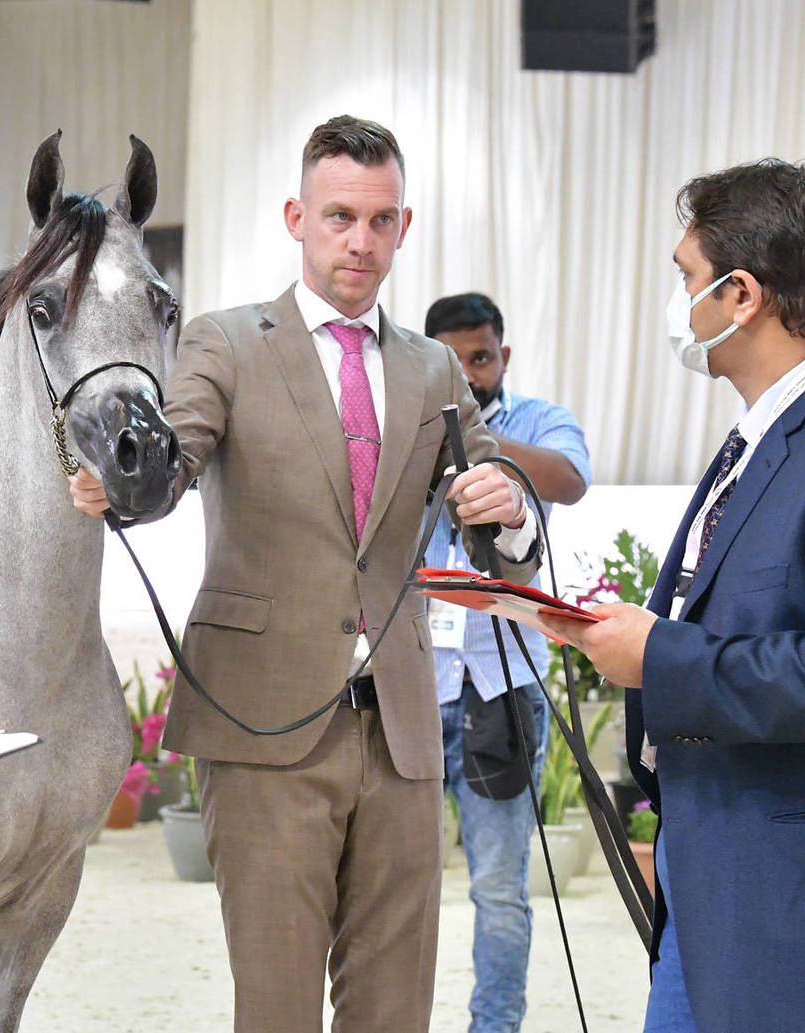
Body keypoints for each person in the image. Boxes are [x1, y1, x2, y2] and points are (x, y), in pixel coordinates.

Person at [72, 116, 540, 1033]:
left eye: (379, 219)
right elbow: (177, 454)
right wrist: (128, 480)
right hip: (264, 724)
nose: (359, 241)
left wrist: (510, 507)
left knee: (396, 1010)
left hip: (404, 732)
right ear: (297, 216)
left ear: (404, 227)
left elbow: (494, 504)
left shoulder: (436, 366)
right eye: (338, 216)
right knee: (277, 1008)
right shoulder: (225, 343)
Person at [546, 160, 805, 1033]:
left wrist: (659, 655)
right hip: (717, 881)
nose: (679, 302)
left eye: (685, 278)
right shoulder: (775, 423)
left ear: (743, 296)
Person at [420, 292, 591, 1033]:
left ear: (503, 356)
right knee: (393, 883)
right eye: (449, 362)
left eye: (479, 359)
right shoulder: (406, 428)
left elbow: (569, 480)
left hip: (503, 683)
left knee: (497, 886)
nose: (467, 371)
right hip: (413, 687)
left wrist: (472, 436)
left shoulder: (538, 421)